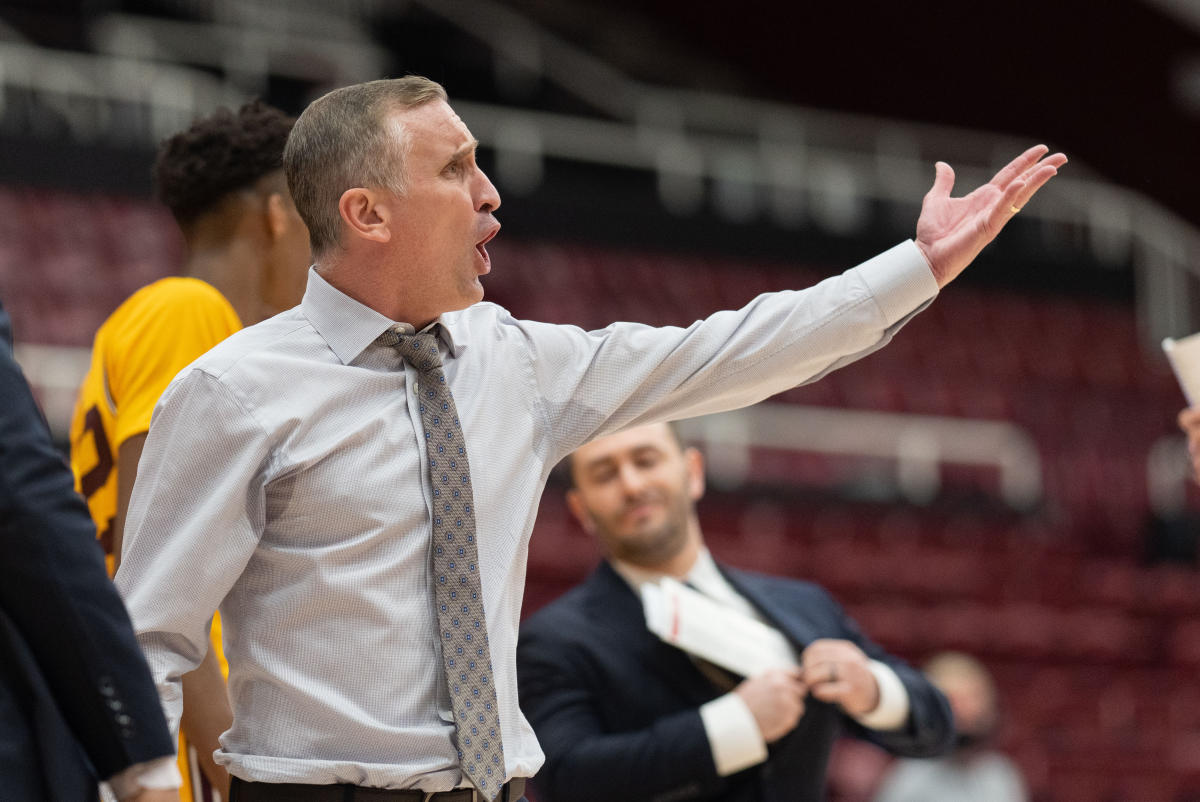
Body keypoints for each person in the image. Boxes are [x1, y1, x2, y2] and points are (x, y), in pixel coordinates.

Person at [114, 75, 1063, 802]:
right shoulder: (234, 389)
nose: (491, 192)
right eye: (455, 170)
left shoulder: (515, 356)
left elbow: (723, 353)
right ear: (366, 213)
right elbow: (144, 637)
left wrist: (920, 267)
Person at [68, 99, 310, 802]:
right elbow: (163, 561)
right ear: (275, 215)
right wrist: (229, 766)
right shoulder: (189, 311)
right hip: (170, 724)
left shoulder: (169, 316)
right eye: (312, 215)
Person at [516, 423, 953, 801]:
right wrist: (734, 727)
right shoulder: (555, 639)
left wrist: (872, 688)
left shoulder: (803, 605)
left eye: (646, 460)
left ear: (693, 473)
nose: (631, 484)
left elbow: (936, 723)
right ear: (581, 508)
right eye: (605, 473)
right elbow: (566, 780)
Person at [0, 297, 180, 802]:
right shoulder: (184, 312)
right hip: (150, 690)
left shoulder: (129, 325)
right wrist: (146, 767)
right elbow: (25, 501)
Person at [873, 652, 1028, 802]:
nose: (966, 713)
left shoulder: (1000, 775)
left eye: (973, 699)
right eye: (955, 701)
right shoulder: (908, 777)